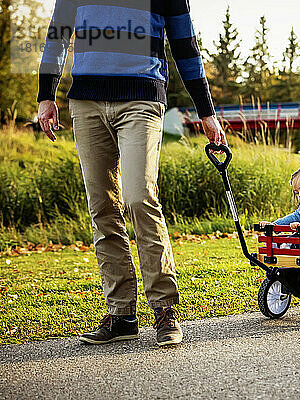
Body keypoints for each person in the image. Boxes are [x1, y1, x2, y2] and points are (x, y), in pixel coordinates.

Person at [36, 0, 226, 346]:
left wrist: (206, 110)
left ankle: (165, 308)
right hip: (87, 101)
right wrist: (45, 94)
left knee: (139, 197)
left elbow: (186, 46)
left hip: (141, 99)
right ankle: (121, 313)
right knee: (102, 207)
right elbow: (58, 36)